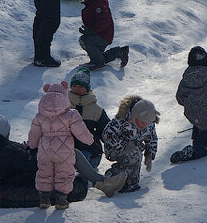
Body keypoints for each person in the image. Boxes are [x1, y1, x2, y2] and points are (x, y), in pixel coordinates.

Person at [28, 80, 93, 210]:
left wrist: (32, 145)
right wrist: (90, 140)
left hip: (45, 151)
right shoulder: (71, 114)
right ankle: (61, 200)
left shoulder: (39, 116)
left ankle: (44, 199)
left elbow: (34, 134)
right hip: (64, 151)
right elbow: (81, 131)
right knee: (65, 173)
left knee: (44, 173)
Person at [66, 67, 127, 196]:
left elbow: (106, 131)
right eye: (74, 86)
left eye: (81, 86)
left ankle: (86, 177)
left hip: (90, 150)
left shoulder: (95, 109)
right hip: (66, 149)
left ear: (87, 89)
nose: (77, 89)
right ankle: (78, 177)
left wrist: (115, 148)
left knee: (84, 158)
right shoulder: (64, 105)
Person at [101, 95, 158, 193]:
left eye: (148, 122)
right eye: (142, 122)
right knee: (134, 154)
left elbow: (152, 138)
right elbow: (107, 135)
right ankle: (116, 176)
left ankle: (130, 182)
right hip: (113, 148)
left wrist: (150, 154)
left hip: (134, 146)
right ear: (135, 116)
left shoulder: (149, 122)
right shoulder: (121, 120)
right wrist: (123, 146)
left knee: (136, 155)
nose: (145, 125)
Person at [79, 0, 130, 68]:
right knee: (99, 55)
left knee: (85, 40)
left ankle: (97, 62)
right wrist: (87, 29)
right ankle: (120, 52)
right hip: (100, 34)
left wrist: (91, 30)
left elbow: (104, 22)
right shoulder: (92, 4)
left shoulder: (99, 6)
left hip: (103, 36)